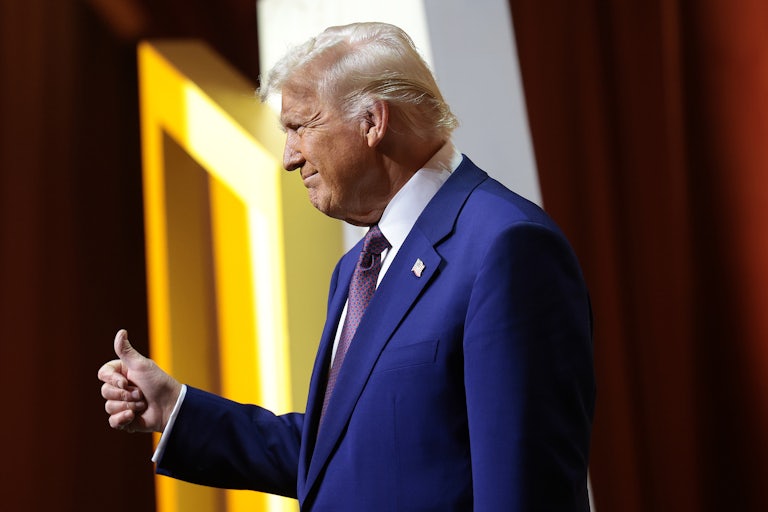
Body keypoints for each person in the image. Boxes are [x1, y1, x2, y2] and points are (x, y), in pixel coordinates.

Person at [99, 21, 595, 511]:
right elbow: (337, 457)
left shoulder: (505, 248)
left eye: (299, 126)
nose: (289, 158)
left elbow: (523, 489)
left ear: (373, 123)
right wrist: (175, 407)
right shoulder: (356, 267)